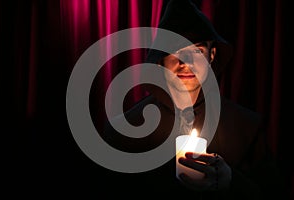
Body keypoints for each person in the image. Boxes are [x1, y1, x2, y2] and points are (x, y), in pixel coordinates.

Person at [102, 0, 285, 199]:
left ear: (212, 55)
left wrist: (231, 181)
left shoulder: (246, 127)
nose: (186, 63)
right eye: (176, 51)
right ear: (161, 59)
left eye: (197, 51)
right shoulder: (125, 130)